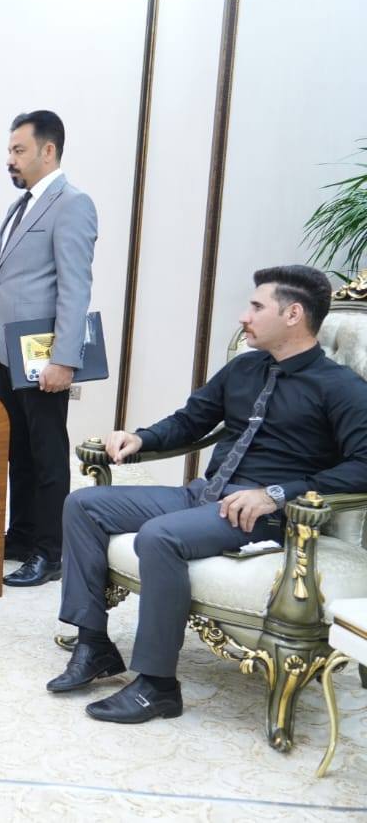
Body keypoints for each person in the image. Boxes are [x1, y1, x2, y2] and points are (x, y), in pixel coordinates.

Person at [50, 265, 367, 723]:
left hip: (264, 514)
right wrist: (141, 438)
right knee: (84, 504)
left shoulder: (342, 388)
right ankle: (94, 644)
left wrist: (276, 494)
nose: (244, 316)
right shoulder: (243, 368)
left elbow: (362, 465)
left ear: (293, 314)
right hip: (206, 495)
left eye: (256, 306)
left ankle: (157, 686)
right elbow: (191, 421)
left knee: (159, 536)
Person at [0, 110, 97, 587]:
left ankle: (51, 550)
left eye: (19, 150)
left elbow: (75, 289)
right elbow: (4, 281)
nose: (11, 159)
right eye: (9, 150)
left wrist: (64, 359)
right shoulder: (19, 207)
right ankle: (22, 536)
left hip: (43, 355)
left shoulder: (73, 204)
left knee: (46, 454)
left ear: (48, 150)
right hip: (8, 352)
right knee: (17, 451)